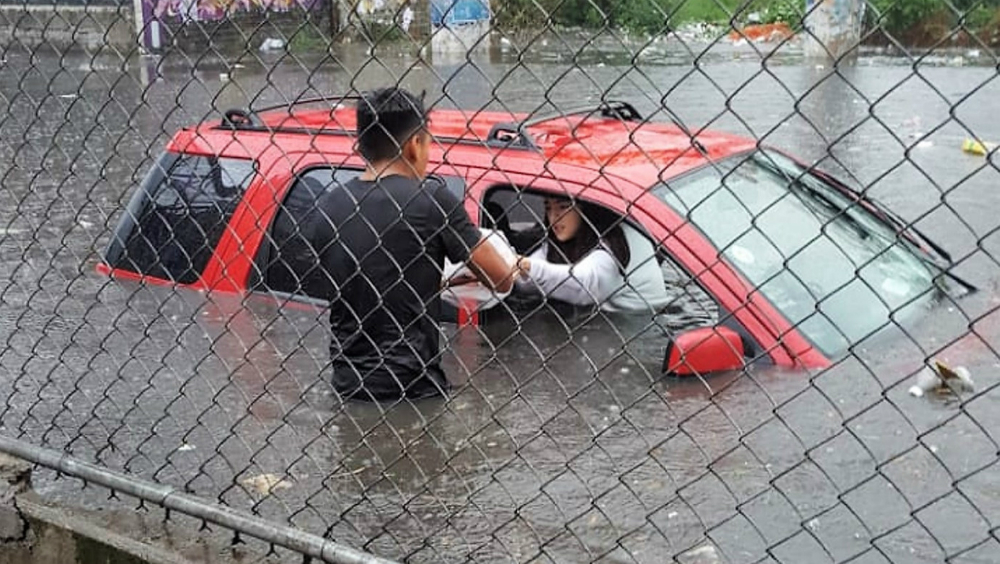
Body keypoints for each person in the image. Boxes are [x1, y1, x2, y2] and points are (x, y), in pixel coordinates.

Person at [303, 87, 515, 402]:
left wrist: (434, 281)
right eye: (429, 144)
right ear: (415, 144)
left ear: (361, 146)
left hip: (349, 386)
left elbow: (364, 283)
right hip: (414, 390)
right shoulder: (431, 201)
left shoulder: (329, 206)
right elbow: (502, 277)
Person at [514, 195, 670, 312]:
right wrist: (513, 268)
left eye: (563, 207)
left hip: (638, 325)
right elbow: (525, 281)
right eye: (548, 208)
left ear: (587, 207)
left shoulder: (617, 239)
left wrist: (528, 267)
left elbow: (587, 284)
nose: (554, 217)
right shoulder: (569, 237)